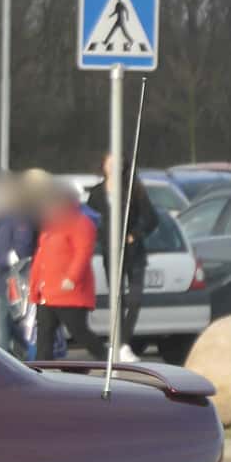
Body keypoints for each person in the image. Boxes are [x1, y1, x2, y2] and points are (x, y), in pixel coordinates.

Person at [85, 152, 158, 362]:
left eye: (118, 164)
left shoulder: (133, 189)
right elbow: (91, 222)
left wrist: (135, 233)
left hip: (134, 253)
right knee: (118, 299)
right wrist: (103, 238)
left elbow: (152, 219)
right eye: (109, 163)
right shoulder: (97, 193)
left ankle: (124, 343)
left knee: (135, 299)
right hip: (111, 253)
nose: (113, 167)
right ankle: (115, 343)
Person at [30, 179, 100, 358]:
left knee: (79, 332)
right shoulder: (51, 225)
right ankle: (41, 371)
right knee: (44, 336)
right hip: (47, 293)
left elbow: (83, 253)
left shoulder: (81, 223)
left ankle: (108, 360)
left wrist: (71, 278)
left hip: (69, 293)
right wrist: (35, 285)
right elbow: (41, 256)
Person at [0, 173, 36, 354]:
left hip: (11, 280)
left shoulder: (19, 215)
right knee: (6, 324)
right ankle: (28, 352)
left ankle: (8, 360)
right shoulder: (1, 217)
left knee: (2, 325)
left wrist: (3, 260)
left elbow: (22, 248)